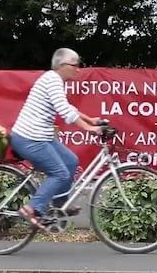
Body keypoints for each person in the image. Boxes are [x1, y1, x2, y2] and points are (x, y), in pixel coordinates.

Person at [9, 48, 101, 230]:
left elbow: (66, 106)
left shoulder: (55, 80)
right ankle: (32, 208)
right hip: (30, 138)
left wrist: (90, 119)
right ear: (62, 65)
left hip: (40, 136)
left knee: (71, 161)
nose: (78, 69)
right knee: (59, 173)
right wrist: (89, 128)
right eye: (75, 65)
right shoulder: (52, 80)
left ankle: (59, 203)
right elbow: (65, 111)